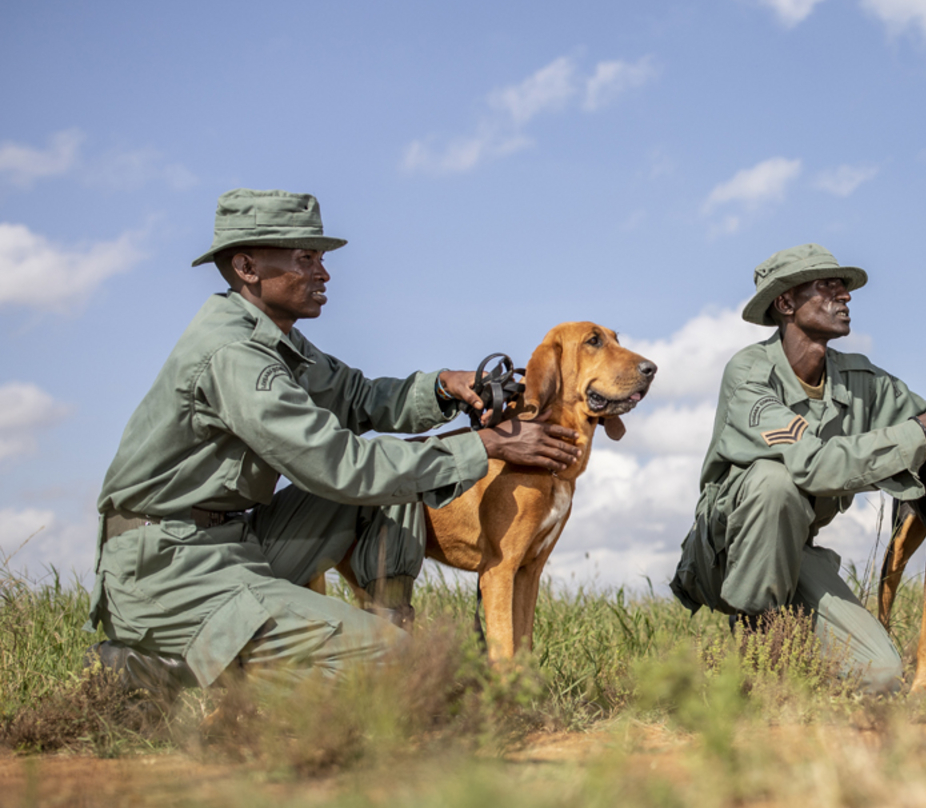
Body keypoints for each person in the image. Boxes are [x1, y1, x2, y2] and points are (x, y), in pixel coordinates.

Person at [87, 188, 582, 691]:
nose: (323, 274)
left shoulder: (277, 341)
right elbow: (338, 464)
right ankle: (158, 675)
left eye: (321, 259)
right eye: (305, 259)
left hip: (233, 543)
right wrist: (486, 446)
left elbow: (361, 397)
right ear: (246, 266)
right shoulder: (235, 356)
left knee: (399, 483)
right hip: (168, 570)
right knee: (404, 667)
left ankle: (384, 635)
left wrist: (443, 387)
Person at [669, 243, 926, 693]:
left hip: (793, 553)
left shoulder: (860, 380)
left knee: (881, 676)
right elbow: (813, 465)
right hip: (726, 552)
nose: (846, 296)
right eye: (827, 286)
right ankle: (757, 659)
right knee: (774, 481)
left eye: (844, 287)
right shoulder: (749, 373)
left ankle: (796, 654)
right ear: (785, 303)